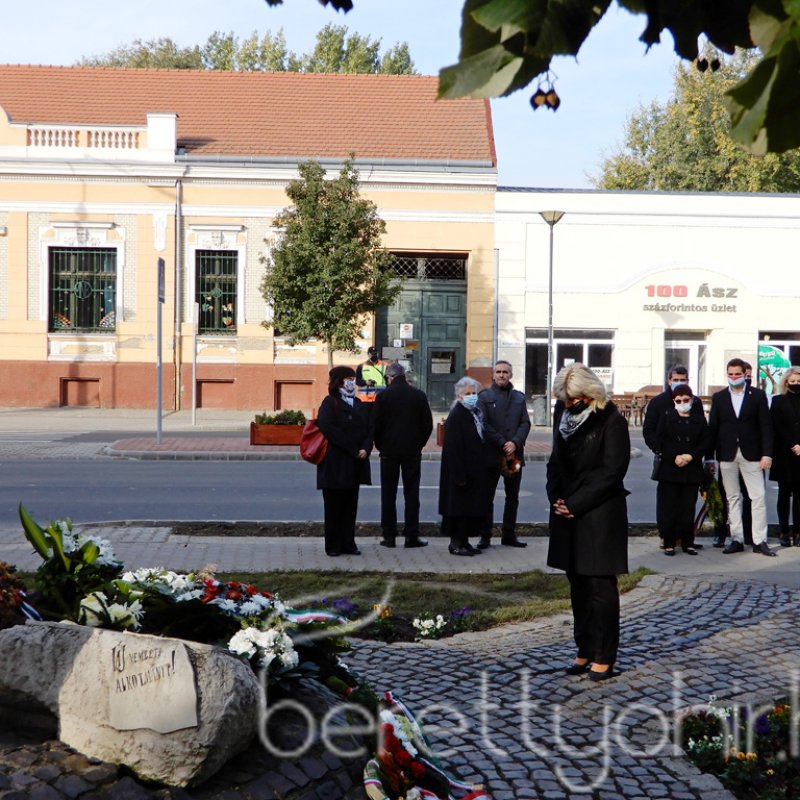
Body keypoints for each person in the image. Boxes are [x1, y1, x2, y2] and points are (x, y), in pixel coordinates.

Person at [546, 363, 630, 682]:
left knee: (599, 587)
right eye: (563, 400)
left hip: (598, 515)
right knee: (578, 586)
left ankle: (604, 655)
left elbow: (612, 473)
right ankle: (584, 647)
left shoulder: (612, 422)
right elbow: (555, 462)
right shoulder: (563, 415)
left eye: (572, 399)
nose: (567, 405)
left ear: (589, 394)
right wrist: (555, 497)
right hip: (567, 512)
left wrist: (576, 504)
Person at [707, 357, 776, 557]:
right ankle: (736, 538)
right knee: (733, 497)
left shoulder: (758, 396)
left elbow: (766, 426)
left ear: (745, 375)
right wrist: (709, 457)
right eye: (730, 374)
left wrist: (767, 454)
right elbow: (713, 428)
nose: (734, 377)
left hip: (753, 454)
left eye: (738, 374)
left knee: (758, 497)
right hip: (727, 454)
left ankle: (759, 540)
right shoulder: (719, 397)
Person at [642, 364, 706, 550]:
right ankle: (667, 538)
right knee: (667, 504)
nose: (679, 383)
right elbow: (650, 432)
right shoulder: (659, 402)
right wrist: (663, 452)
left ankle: (685, 539)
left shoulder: (696, 403)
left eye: (683, 380)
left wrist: (693, 456)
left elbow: (702, 432)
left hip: (691, 461)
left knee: (687, 505)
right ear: (669, 380)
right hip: (668, 460)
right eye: (675, 380)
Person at [373, 362, 433, 549]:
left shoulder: (382, 397)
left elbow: (376, 425)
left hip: (389, 453)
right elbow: (428, 425)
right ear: (404, 377)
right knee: (412, 494)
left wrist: (381, 445)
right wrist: (419, 444)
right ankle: (411, 536)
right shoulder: (418, 395)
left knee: (388, 495)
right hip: (412, 452)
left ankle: (389, 537)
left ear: (390, 377)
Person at [316, 365, 372, 557]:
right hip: (335, 463)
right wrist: (353, 449)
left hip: (355, 465)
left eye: (353, 378)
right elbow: (328, 427)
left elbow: (368, 429)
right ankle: (333, 546)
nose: (352, 382)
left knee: (350, 506)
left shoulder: (358, 403)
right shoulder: (330, 402)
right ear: (339, 381)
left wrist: (366, 448)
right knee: (333, 507)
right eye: (348, 378)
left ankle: (349, 543)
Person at [477, 360, 531, 549]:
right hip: (491, 455)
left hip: (514, 457)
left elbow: (525, 423)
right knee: (487, 497)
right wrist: (502, 443)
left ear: (510, 375)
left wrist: (515, 442)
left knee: (512, 496)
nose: (501, 375)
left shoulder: (519, 397)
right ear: (493, 375)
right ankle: (485, 536)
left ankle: (509, 535)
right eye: (498, 372)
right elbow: (483, 424)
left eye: (505, 372)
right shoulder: (484, 397)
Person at [438, 377, 489, 557]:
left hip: (472, 471)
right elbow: (452, 448)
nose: (472, 396)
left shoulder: (473, 413)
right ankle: (456, 544)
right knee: (458, 510)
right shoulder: (457, 414)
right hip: (459, 473)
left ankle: (465, 542)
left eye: (474, 393)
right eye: (468, 394)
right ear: (459, 396)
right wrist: (459, 474)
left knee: (468, 509)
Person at [769, 366, 800, 547]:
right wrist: (792, 444)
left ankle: (797, 531)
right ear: (786, 382)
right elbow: (777, 426)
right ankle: (783, 530)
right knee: (784, 493)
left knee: (799, 495)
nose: (796, 384)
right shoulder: (778, 401)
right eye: (793, 381)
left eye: (798, 381)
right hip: (784, 453)